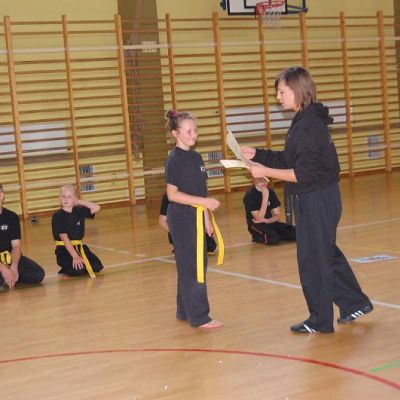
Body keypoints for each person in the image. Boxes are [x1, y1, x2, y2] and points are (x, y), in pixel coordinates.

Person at [241, 66, 373, 334]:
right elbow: (290, 159)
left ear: (297, 90)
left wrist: (265, 171)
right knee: (325, 253)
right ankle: (355, 302)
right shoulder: (303, 120)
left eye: (281, 92)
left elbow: (302, 173)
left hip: (318, 200)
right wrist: (259, 154)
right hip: (316, 199)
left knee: (313, 261)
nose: (278, 97)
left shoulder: (309, 125)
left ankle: (320, 320)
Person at [164, 110, 223, 329]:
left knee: (190, 264)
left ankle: (184, 310)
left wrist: (206, 218)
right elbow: (172, 195)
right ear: (175, 134)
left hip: (196, 215)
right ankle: (199, 316)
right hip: (182, 217)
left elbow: (200, 191)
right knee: (193, 266)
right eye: (188, 131)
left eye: (195, 130)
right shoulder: (174, 159)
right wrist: (204, 203)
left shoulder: (196, 157)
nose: (193, 135)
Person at [51, 185, 103, 277]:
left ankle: (76, 266)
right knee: (79, 270)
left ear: (74, 198)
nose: (66, 199)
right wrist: (75, 256)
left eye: (69, 196)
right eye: (63, 196)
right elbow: (65, 239)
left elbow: (97, 207)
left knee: (97, 266)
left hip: (79, 247)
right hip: (64, 249)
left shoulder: (79, 211)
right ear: (60, 198)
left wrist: (79, 201)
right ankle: (65, 269)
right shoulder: (58, 216)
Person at [0, 184, 45, 288]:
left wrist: (14, 267)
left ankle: (9, 278)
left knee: (38, 274)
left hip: (9, 257)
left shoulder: (12, 217)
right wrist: (3, 269)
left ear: (1, 195)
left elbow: (16, 246)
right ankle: (6, 277)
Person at [243, 178, 296, 245]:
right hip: (256, 224)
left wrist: (267, 220)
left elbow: (277, 215)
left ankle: (277, 234)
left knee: (295, 232)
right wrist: (265, 196)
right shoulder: (249, 196)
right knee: (273, 238)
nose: (263, 182)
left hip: (270, 221)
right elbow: (259, 218)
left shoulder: (271, 192)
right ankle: (257, 236)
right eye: (260, 180)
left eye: (265, 179)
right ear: (254, 181)